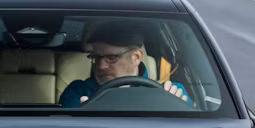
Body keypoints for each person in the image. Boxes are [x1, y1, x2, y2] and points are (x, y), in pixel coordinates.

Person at [59, 22, 190, 108]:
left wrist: (175, 106)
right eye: (96, 57)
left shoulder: (168, 93)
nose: (100, 66)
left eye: (111, 58)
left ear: (136, 57)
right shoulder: (77, 92)